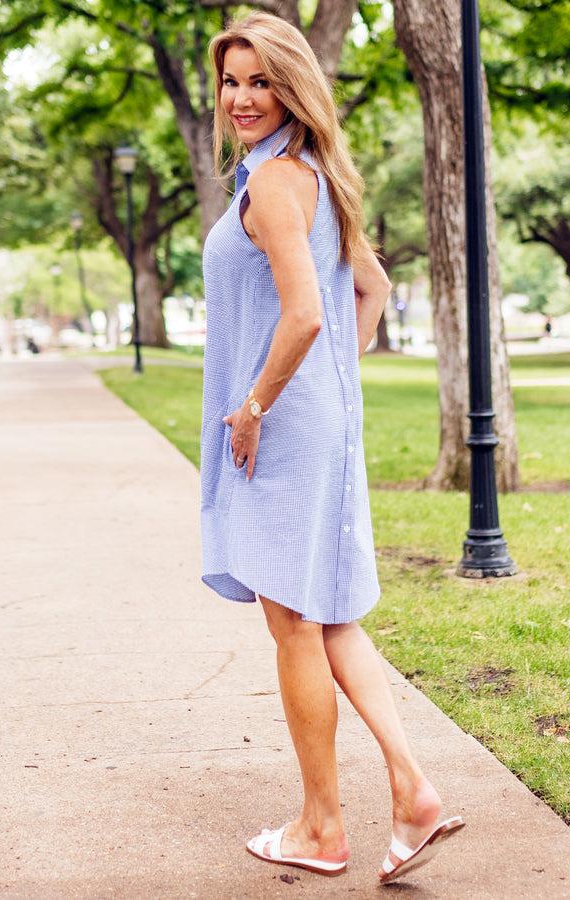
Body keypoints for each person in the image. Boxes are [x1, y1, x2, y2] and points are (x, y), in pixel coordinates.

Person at [200, 10, 465, 884]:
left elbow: (310, 313)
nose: (242, 97)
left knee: (293, 625)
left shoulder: (274, 183)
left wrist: (256, 405)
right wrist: (328, 394)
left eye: (260, 81)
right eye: (232, 81)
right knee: (331, 614)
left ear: (292, 87)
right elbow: (374, 289)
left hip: (277, 428)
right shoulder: (313, 172)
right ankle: (414, 786)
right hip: (316, 421)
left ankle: (320, 827)